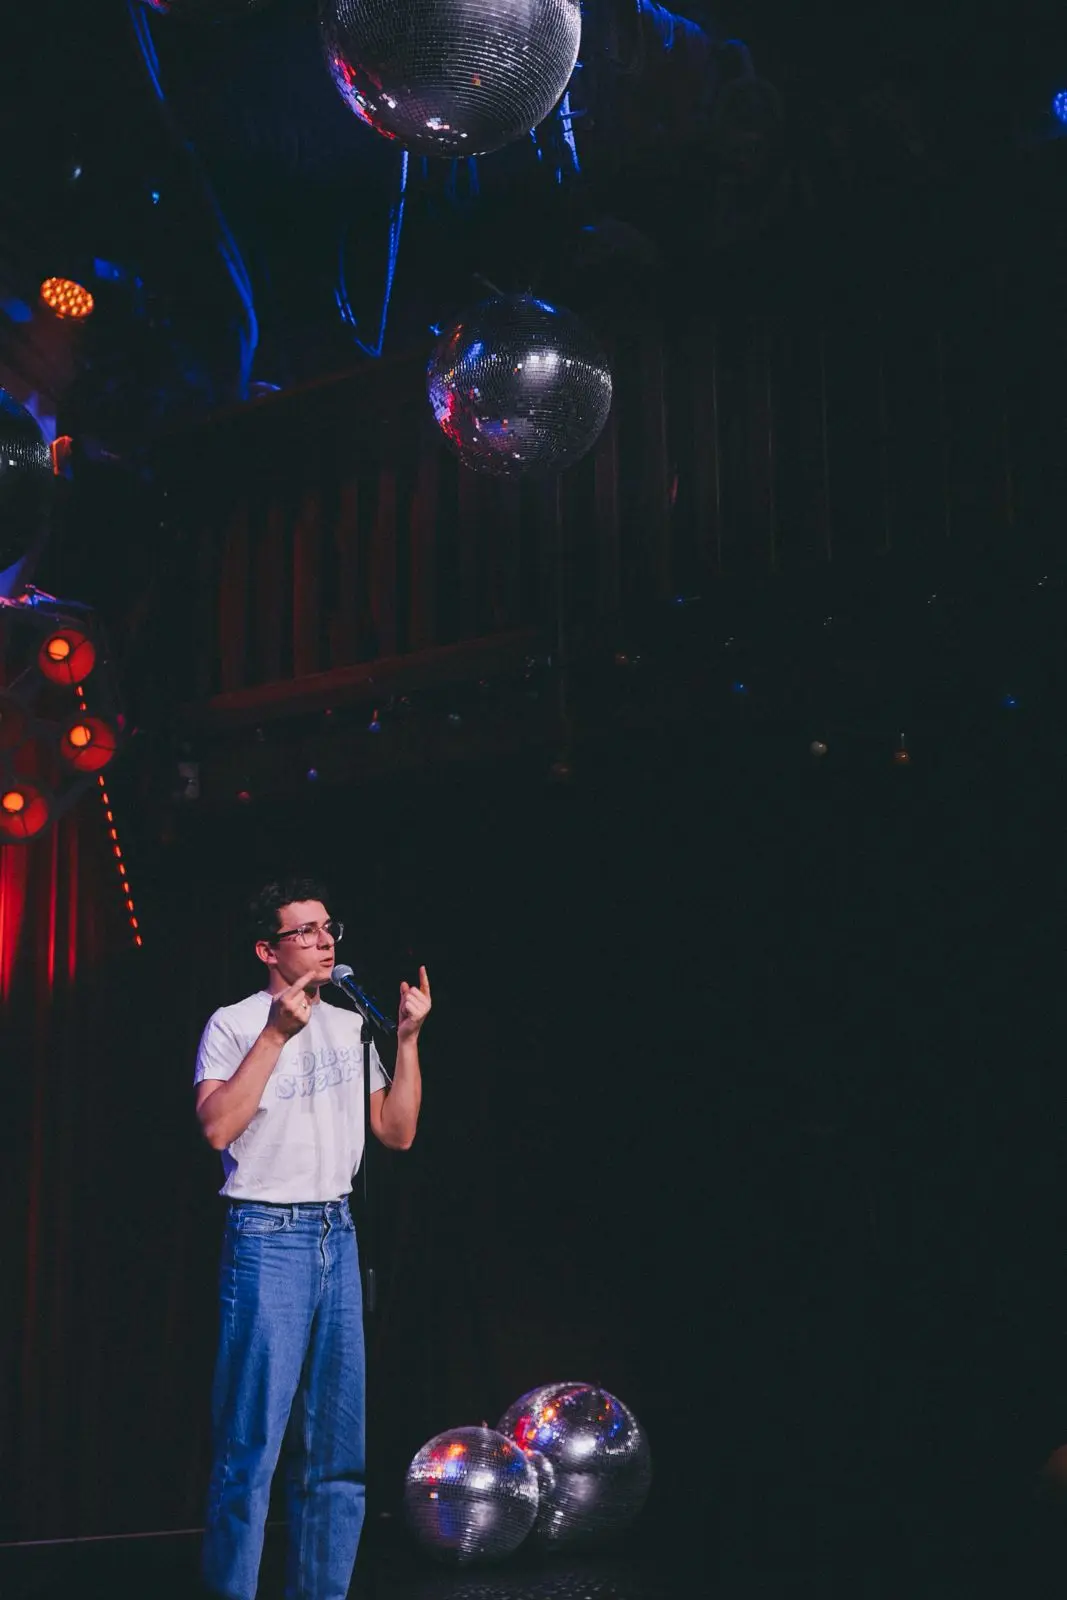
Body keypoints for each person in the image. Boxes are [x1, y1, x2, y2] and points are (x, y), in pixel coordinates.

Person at [193, 877, 431, 1600]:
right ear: (268, 948)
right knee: (251, 1449)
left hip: (337, 1233)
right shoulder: (234, 1023)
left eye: (330, 927)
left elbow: (395, 1131)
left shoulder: (349, 1023)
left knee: (336, 1454)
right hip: (269, 1237)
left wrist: (409, 1040)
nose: (326, 940)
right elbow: (217, 1127)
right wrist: (275, 1035)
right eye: (306, 931)